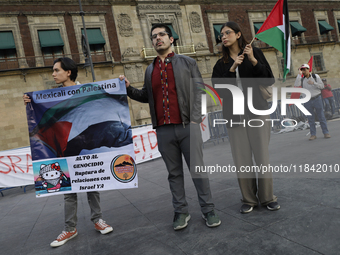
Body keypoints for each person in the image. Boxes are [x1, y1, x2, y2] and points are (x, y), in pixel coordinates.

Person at [119, 24, 221, 230]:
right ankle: (181, 212)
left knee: (198, 171)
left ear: (171, 39)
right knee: (173, 174)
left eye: (162, 35)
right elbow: (146, 96)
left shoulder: (188, 62)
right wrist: (129, 88)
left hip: (187, 126)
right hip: (163, 130)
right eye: (154, 36)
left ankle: (208, 209)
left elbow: (199, 91)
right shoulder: (150, 69)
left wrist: (195, 119)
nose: (158, 39)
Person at [23, 57, 113, 247]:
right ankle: (70, 228)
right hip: (64, 152)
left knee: (91, 185)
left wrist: (119, 83)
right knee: (68, 191)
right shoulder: (50, 98)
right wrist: (30, 103)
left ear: (68, 72)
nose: (53, 74)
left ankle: (98, 220)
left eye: (56, 70)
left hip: (84, 149)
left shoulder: (86, 91)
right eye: (53, 71)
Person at [211, 21, 279, 214]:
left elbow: (269, 79)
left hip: (257, 110)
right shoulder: (220, 65)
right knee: (242, 160)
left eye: (227, 33)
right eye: (221, 35)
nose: (223, 37)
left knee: (262, 157)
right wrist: (232, 69)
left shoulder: (254, 52)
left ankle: (267, 198)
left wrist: (254, 61)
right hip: (234, 115)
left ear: (239, 34)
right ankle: (248, 199)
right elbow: (219, 90)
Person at [294, 64, 331, 140]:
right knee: (310, 118)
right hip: (307, 100)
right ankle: (313, 134)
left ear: (308, 69)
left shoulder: (315, 77)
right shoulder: (301, 79)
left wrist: (314, 83)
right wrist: (299, 75)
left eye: (304, 69)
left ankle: (326, 133)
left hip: (317, 98)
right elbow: (296, 85)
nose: (303, 71)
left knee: (321, 116)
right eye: (302, 70)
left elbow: (322, 86)